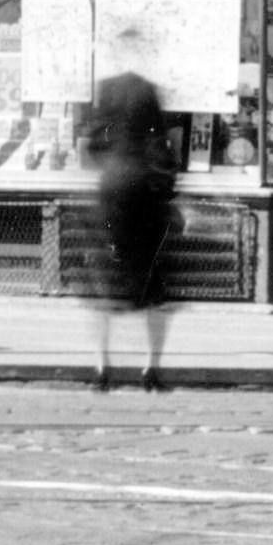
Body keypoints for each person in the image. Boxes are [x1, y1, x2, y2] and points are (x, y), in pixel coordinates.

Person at [82, 63, 183, 390]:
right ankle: (151, 369)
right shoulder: (147, 89)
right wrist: (169, 190)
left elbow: (95, 142)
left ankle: (101, 368)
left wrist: (108, 166)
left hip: (111, 190)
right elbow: (161, 146)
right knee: (154, 285)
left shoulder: (107, 87)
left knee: (104, 282)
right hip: (143, 190)